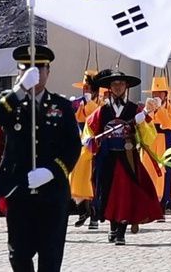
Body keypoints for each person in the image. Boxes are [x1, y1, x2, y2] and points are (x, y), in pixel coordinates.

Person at [0, 44, 80, 271]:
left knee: (50, 255)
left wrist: (51, 171)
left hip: (52, 191)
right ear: (19, 72)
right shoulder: (10, 101)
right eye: (27, 69)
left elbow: (72, 147)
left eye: (40, 69)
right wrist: (20, 89)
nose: (35, 73)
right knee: (19, 253)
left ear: (48, 72)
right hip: (19, 189)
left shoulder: (61, 105)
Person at [86, 69, 163, 245]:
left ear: (126, 86)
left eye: (121, 83)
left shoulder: (135, 109)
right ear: (110, 88)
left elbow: (149, 136)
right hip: (107, 158)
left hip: (128, 157)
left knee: (126, 193)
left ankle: (121, 229)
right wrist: (90, 141)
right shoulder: (102, 111)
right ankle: (113, 226)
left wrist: (143, 120)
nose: (118, 87)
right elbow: (89, 131)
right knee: (107, 192)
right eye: (114, 84)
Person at [140, 75, 171, 219]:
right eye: (154, 94)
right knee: (148, 172)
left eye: (160, 93)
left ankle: (164, 204)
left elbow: (170, 124)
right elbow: (142, 124)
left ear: (166, 94)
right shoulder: (147, 108)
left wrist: (160, 110)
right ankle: (148, 204)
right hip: (150, 142)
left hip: (165, 142)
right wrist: (148, 110)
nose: (157, 96)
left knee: (165, 172)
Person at [69, 69, 101, 229]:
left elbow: (95, 118)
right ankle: (83, 209)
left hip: (97, 144)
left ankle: (94, 214)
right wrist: (78, 106)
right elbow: (77, 119)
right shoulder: (79, 103)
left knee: (93, 180)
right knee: (76, 177)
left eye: (88, 88)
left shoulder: (102, 103)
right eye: (84, 88)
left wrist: (89, 104)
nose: (85, 91)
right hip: (82, 143)